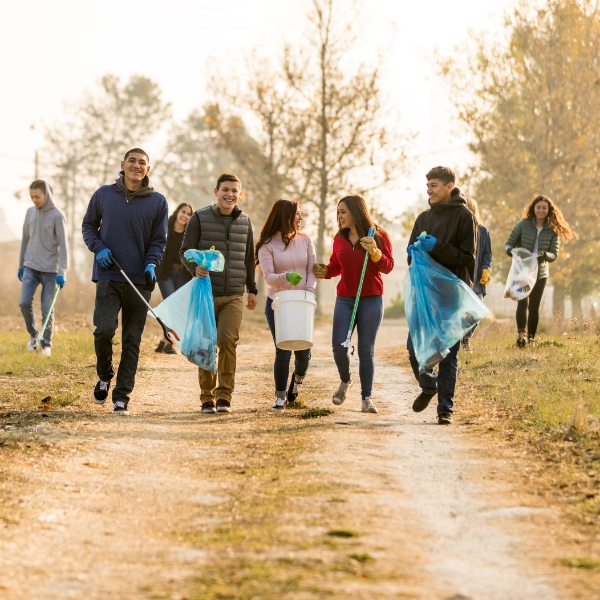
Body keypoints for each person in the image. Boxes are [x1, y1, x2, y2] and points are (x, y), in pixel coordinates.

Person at [82, 148, 168, 415]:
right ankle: (104, 376)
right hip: (108, 275)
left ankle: (122, 397)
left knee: (132, 340)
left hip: (139, 281)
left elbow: (159, 240)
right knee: (104, 330)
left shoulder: (158, 201)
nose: (137, 165)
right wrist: (98, 248)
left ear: (148, 169)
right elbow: (88, 226)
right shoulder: (104, 194)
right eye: (132, 161)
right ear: (122, 164)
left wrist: (152, 263)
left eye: (142, 162)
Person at [180, 173, 258, 414]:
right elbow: (185, 251)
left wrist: (251, 289)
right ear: (216, 191)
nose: (230, 194)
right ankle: (206, 397)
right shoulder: (199, 218)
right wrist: (195, 268)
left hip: (234, 294)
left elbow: (248, 259)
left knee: (227, 342)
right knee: (206, 344)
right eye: (225, 189)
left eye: (234, 190)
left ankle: (224, 397)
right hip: (205, 292)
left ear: (240, 194)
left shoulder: (245, 222)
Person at [406, 166, 476, 425]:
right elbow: (410, 255)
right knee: (414, 348)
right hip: (425, 295)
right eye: (428, 186)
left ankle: (444, 409)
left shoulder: (464, 217)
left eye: (434, 185)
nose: (429, 190)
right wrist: (413, 251)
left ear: (449, 186)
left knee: (448, 353)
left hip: (452, 294)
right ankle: (428, 386)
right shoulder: (423, 218)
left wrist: (438, 246)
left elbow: (468, 258)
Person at [313, 195, 394, 414]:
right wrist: (325, 271)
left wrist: (376, 253)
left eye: (343, 212)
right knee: (339, 346)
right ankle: (345, 381)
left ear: (357, 211)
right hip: (346, 298)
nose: (339, 216)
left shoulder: (378, 235)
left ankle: (366, 398)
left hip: (371, 299)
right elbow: (336, 266)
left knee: (366, 351)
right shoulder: (339, 239)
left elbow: (388, 267)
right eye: (338, 212)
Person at [256, 199, 317, 413]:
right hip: (279, 304)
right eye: (297, 214)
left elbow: (311, 270)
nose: (301, 218)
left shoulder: (306, 240)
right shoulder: (267, 246)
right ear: (285, 216)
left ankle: (297, 381)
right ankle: (280, 397)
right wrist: (286, 277)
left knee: (303, 353)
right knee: (282, 350)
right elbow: (269, 277)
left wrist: (309, 290)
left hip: (303, 303)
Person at [505, 195, 575, 347]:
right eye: (538, 207)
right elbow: (508, 244)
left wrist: (545, 255)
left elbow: (554, 254)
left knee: (534, 306)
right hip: (522, 270)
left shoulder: (552, 230)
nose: (541, 210)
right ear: (533, 208)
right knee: (522, 302)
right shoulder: (522, 225)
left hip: (540, 273)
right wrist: (511, 251)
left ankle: (531, 338)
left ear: (549, 210)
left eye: (544, 208)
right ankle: (521, 335)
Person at [18, 180, 68, 356]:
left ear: (46, 195)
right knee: (24, 302)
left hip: (51, 271)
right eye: (31, 197)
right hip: (30, 266)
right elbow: (25, 240)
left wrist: (62, 272)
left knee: (47, 307)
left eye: (37, 197)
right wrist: (21, 266)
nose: (34, 200)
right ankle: (34, 335)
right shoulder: (30, 213)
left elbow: (64, 245)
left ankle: (46, 344)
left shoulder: (57, 215)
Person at [155, 202, 194, 354]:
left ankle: (164, 340)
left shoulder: (190, 234)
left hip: (183, 275)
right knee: (171, 306)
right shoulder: (165, 229)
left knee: (178, 308)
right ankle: (169, 343)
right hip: (166, 274)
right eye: (183, 212)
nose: (185, 216)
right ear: (177, 212)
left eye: (189, 214)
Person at [461, 197, 492, 353]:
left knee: (476, 312)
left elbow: (487, 253)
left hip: (477, 280)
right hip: (461, 278)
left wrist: (486, 268)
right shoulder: (458, 229)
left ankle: (465, 338)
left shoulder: (483, 231)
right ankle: (456, 341)